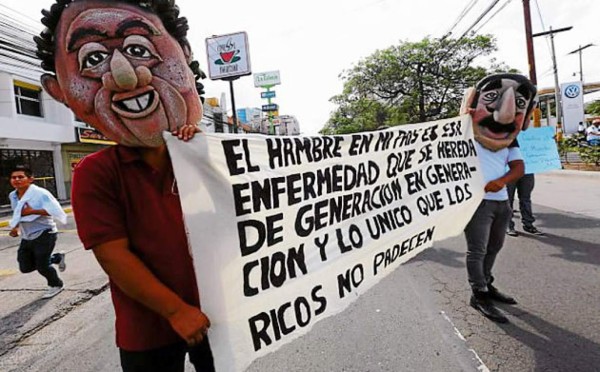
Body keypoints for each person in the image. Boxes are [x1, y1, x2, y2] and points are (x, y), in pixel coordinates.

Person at [35, 0, 214, 370]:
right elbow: (113, 255)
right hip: (149, 331)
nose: (126, 75)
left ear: (185, 57)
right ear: (60, 91)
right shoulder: (96, 172)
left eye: (139, 50)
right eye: (93, 60)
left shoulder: (204, 156)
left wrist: (202, 152)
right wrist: (175, 310)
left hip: (222, 312)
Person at [461, 73, 537, 323]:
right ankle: (479, 293)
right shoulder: (464, 140)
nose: (504, 114)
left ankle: (487, 283)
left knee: (495, 246)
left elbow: (519, 168)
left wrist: (501, 182)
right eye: (491, 98)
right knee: (477, 249)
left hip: (502, 202)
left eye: (519, 105)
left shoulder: (510, 143)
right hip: (476, 203)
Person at [8, 165, 67, 299]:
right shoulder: (13, 195)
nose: (16, 180)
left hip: (45, 232)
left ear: (30, 179)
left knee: (42, 266)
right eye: (13, 177)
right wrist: (15, 228)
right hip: (27, 235)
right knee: (25, 267)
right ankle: (56, 258)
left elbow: (55, 211)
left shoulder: (41, 193)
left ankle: (56, 284)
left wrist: (32, 211)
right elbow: (18, 213)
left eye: (20, 177)